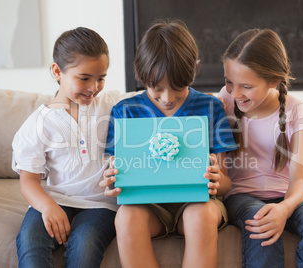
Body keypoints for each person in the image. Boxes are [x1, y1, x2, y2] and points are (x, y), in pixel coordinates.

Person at [99, 20, 236, 268]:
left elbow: (225, 182)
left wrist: (218, 181)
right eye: (156, 88)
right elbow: (115, 176)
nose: (167, 98)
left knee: (200, 214)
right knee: (126, 217)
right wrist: (111, 183)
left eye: (178, 88)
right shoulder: (125, 112)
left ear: (193, 70)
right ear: (141, 76)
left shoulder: (210, 107)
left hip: (198, 204)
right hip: (147, 207)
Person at [217, 28, 303, 267]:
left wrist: (284, 209)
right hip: (241, 196)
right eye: (229, 82)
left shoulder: (299, 110)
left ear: (273, 81)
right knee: (258, 217)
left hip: (286, 195)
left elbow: (300, 182)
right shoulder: (226, 99)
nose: (236, 92)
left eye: (246, 86)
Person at [12, 27, 118, 268]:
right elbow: (28, 181)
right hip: (56, 199)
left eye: (101, 78)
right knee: (30, 240)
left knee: (85, 244)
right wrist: (48, 206)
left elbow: (154, 98)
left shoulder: (111, 106)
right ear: (57, 71)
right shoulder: (39, 123)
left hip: (100, 205)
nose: (93, 87)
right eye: (84, 78)